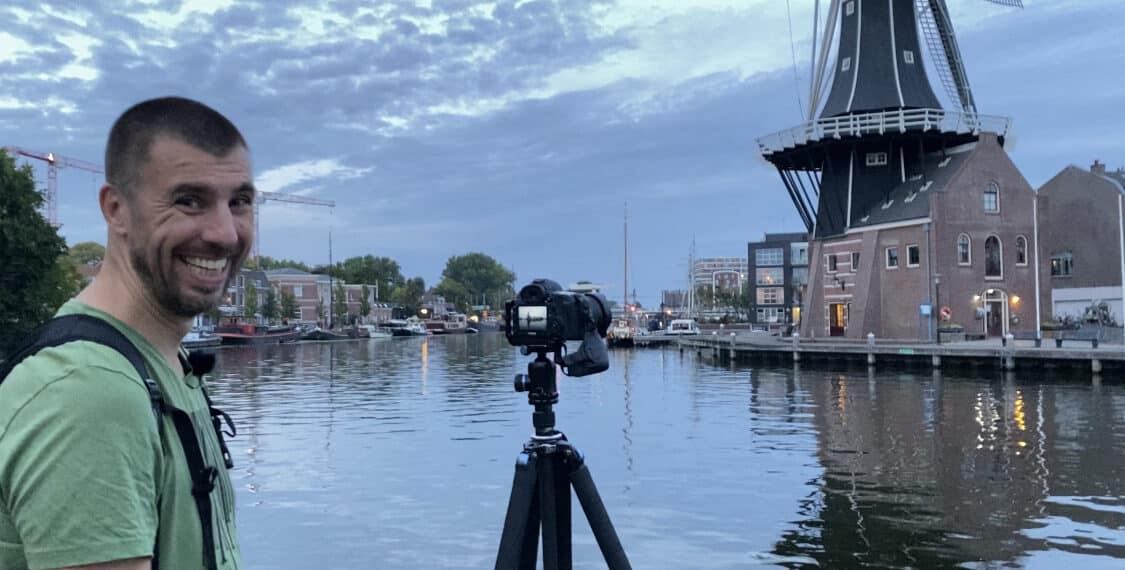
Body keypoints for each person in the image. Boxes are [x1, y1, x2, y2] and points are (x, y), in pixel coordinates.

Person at [0, 97, 253, 570]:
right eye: (188, 200)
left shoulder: (160, 366)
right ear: (116, 209)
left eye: (239, 201)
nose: (224, 233)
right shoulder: (88, 393)